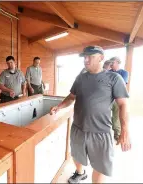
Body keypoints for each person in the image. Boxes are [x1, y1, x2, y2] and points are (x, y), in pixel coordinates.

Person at [50, 46, 131, 183]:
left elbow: (123, 104)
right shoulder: (80, 78)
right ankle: (80, 173)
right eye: (84, 57)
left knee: (100, 166)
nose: (86, 60)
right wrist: (58, 107)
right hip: (78, 129)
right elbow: (71, 97)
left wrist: (125, 130)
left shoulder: (114, 78)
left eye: (90, 56)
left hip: (100, 132)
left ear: (101, 58)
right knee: (76, 156)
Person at [109, 57, 129, 141]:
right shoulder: (108, 72)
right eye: (110, 63)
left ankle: (117, 136)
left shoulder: (124, 73)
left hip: (118, 98)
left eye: (112, 62)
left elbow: (122, 83)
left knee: (116, 118)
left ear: (117, 62)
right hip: (108, 98)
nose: (111, 64)